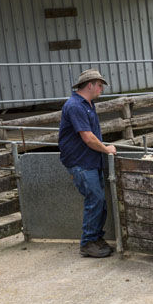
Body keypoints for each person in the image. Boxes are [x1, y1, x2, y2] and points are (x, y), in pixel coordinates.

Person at [58, 68, 117, 258]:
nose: (101, 89)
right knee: (95, 200)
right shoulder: (75, 106)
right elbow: (87, 137)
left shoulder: (88, 104)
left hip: (90, 160)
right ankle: (88, 242)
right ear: (90, 85)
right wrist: (106, 149)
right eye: (99, 85)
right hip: (81, 162)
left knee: (99, 201)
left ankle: (96, 238)